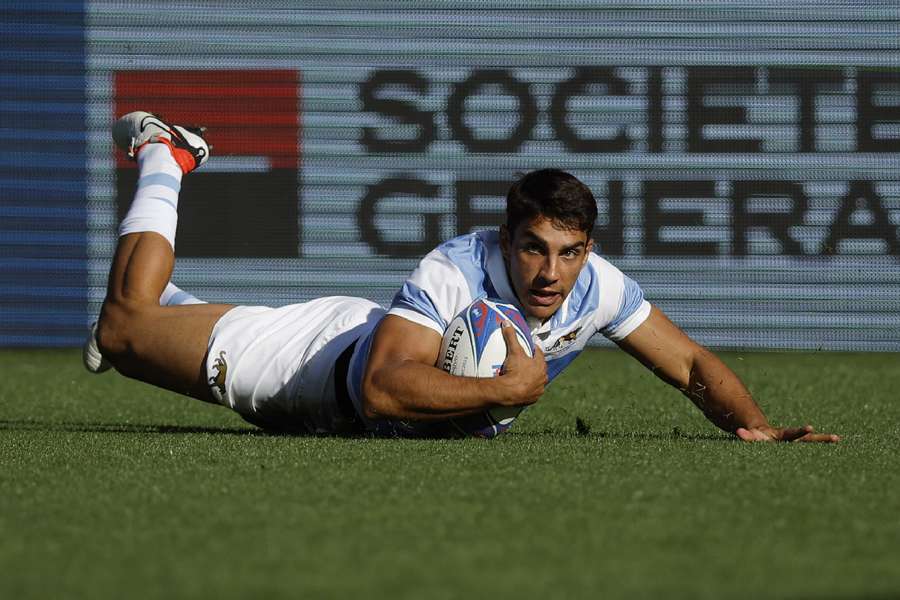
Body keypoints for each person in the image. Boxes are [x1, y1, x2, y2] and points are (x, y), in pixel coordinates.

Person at [86, 111, 839, 442]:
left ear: (589, 247)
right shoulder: (455, 266)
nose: (551, 274)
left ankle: (175, 308)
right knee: (124, 327)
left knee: (146, 318)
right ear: (505, 238)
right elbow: (380, 388)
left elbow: (693, 363)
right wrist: (504, 393)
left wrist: (754, 425)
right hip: (310, 369)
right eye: (535, 248)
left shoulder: (595, 283)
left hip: (363, 347)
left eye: (570, 252)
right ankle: (168, 154)